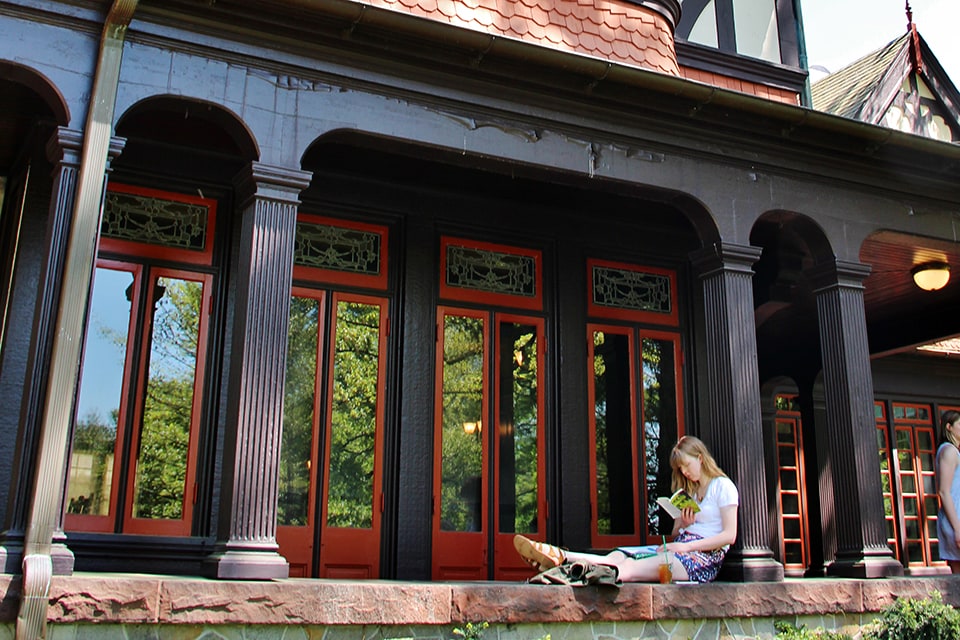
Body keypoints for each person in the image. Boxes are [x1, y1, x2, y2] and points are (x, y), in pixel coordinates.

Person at [514, 435, 738, 583]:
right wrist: (683, 525)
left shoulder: (723, 487)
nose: (685, 473)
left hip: (701, 560)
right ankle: (561, 556)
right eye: (681, 469)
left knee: (630, 567)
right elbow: (676, 535)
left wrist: (685, 547)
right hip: (679, 548)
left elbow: (730, 535)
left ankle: (567, 574)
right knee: (619, 554)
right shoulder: (691, 492)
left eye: (686, 466)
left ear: (700, 458)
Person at [936, 410, 960, 574]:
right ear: (949, 427)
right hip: (955, 518)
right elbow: (944, 491)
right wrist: (957, 528)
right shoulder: (949, 451)